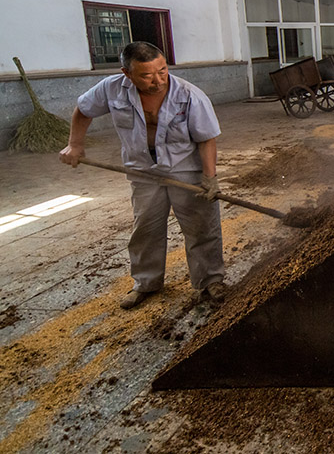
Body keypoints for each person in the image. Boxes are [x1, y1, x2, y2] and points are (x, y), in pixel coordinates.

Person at [59, 42, 225, 310]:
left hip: (185, 169)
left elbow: (207, 139)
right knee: (146, 228)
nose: (158, 80)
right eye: (147, 75)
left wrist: (209, 178)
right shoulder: (111, 89)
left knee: (201, 226)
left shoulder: (189, 94)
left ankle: (210, 281)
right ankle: (146, 283)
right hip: (141, 169)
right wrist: (75, 144)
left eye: (162, 71)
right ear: (127, 73)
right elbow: (83, 110)